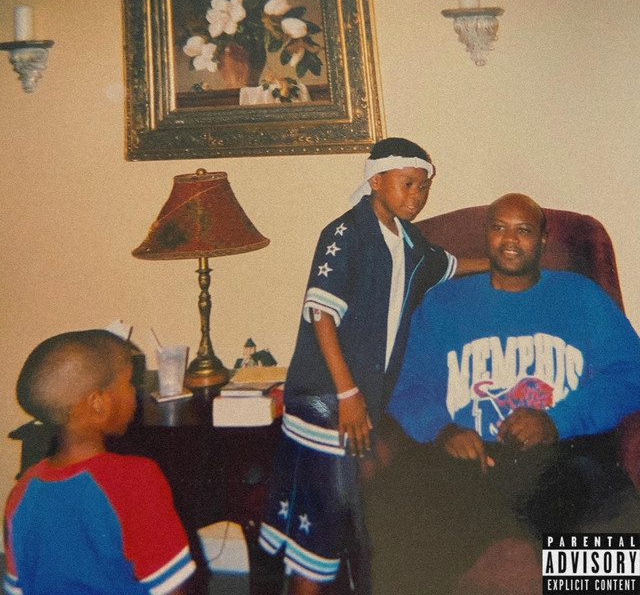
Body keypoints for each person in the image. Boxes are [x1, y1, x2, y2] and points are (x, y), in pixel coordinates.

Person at [364, 193, 640, 595]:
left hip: (561, 456)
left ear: (542, 240)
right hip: (466, 459)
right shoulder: (443, 302)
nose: (510, 239)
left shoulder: (580, 296)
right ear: (487, 236)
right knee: (393, 507)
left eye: (523, 230)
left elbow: (630, 372)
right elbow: (407, 383)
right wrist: (444, 430)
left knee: (612, 528)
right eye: (499, 228)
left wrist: (557, 421)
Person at [258, 138, 485, 595]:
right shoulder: (346, 233)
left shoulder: (410, 243)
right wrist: (348, 394)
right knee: (319, 520)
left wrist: (502, 264)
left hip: (361, 400)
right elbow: (321, 314)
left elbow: (450, 265)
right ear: (376, 180)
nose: (417, 196)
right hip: (327, 398)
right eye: (407, 184)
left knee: (332, 516)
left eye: (424, 187)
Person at [3, 329, 196, 595]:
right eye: (128, 383)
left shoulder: (21, 491)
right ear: (98, 403)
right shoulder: (135, 478)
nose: (135, 392)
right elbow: (172, 587)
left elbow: (18, 588)